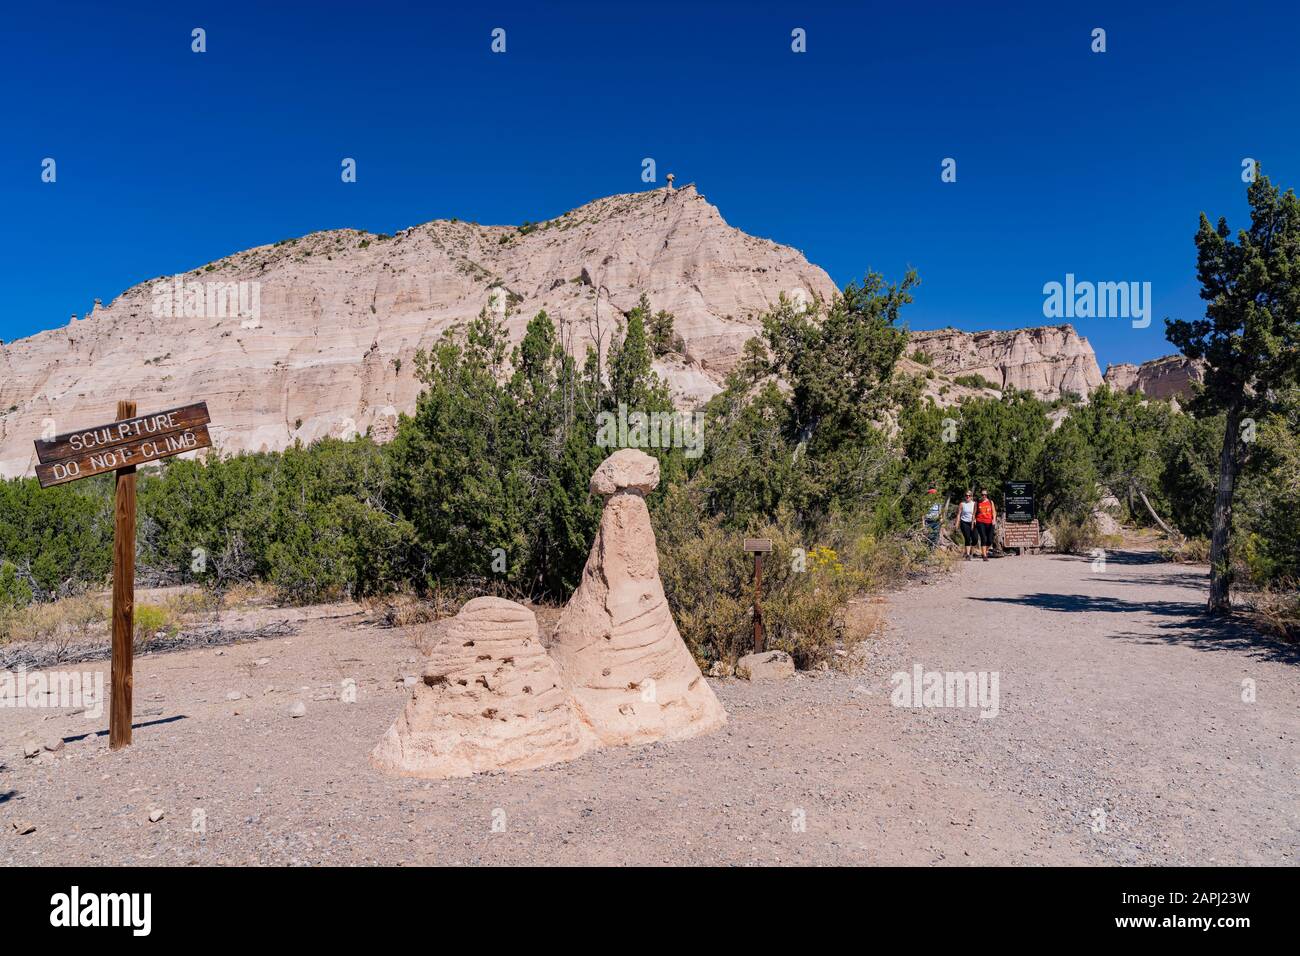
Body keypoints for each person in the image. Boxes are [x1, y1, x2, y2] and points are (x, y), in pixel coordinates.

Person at [975, 488, 997, 561]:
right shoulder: (977, 502)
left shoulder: (991, 502)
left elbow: (994, 512)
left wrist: (994, 519)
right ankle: (984, 555)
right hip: (980, 521)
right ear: (981, 495)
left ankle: (984, 551)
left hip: (990, 522)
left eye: (985, 494)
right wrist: (973, 521)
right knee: (983, 538)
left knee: (990, 540)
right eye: (982, 494)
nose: (984, 496)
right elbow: (974, 512)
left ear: (987, 495)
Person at [955, 490, 977, 560]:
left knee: (975, 539)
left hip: (973, 522)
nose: (968, 497)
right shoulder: (962, 504)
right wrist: (957, 524)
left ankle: (971, 552)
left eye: (969, 495)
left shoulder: (974, 504)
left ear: (971, 497)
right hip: (964, 522)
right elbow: (959, 514)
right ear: (965, 496)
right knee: (967, 538)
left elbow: (976, 514)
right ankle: (967, 554)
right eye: (966, 495)